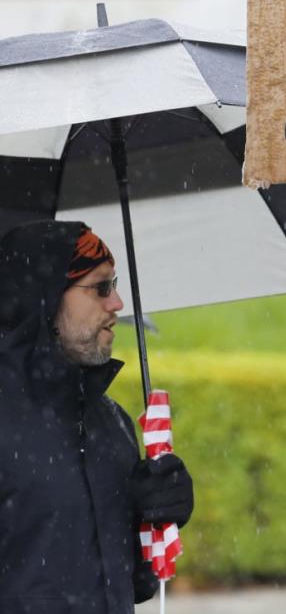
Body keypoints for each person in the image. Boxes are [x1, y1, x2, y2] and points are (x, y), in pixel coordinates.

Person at [0, 221, 195, 613]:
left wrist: (156, 515)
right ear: (46, 297)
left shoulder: (113, 422)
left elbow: (132, 585)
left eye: (116, 284)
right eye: (101, 287)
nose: (118, 303)